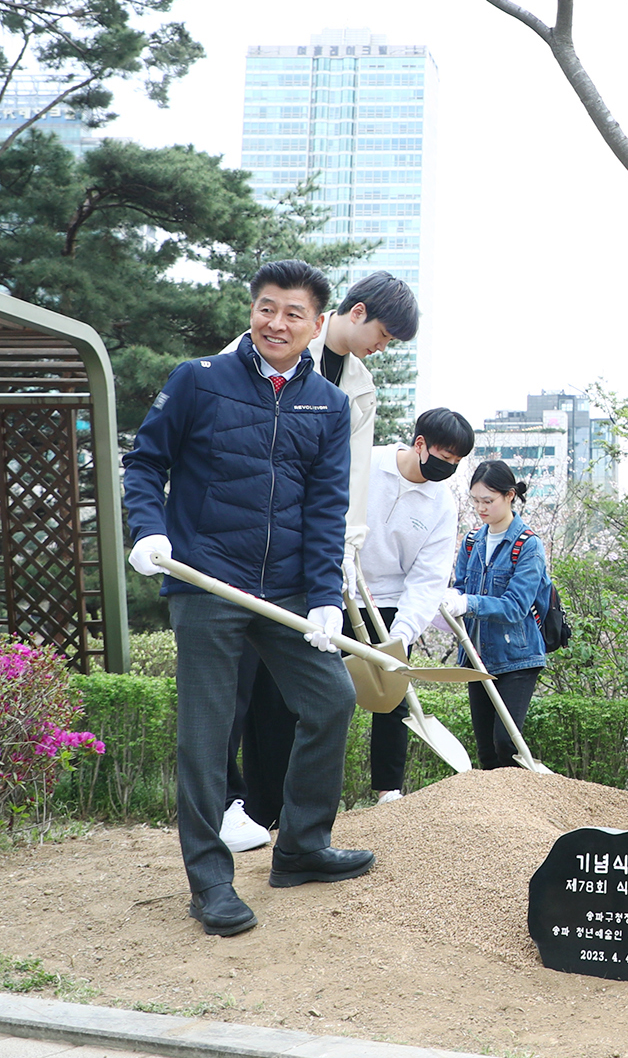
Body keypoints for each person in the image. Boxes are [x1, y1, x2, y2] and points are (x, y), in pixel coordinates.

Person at [122, 259, 373, 937]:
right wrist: (149, 531)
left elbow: (326, 507)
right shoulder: (200, 381)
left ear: (318, 325)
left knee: (332, 699)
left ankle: (299, 848)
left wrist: (325, 597)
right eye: (267, 308)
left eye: (294, 313)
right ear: (252, 311)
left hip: (289, 591)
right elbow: (146, 463)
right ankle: (209, 880)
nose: (277, 323)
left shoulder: (328, 404)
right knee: (206, 735)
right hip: (208, 580)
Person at [223, 271, 419, 852]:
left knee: (299, 690)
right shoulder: (265, 349)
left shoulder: (359, 385)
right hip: (240, 541)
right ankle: (227, 805)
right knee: (234, 682)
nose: (384, 347)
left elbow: (349, 474)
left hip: (305, 550)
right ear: (355, 313)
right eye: (383, 333)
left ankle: (274, 814)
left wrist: (343, 544)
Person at [354, 406, 474, 802]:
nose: (449, 467)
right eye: (444, 458)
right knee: (323, 694)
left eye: (456, 463)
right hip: (335, 588)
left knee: (391, 694)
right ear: (419, 444)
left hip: (391, 602)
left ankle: (388, 791)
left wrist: (402, 635)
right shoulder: (365, 462)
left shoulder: (441, 504)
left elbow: (428, 577)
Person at [444, 460, 549, 769]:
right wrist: (453, 598)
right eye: (475, 500)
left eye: (488, 501)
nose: (480, 508)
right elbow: (461, 588)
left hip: (518, 657)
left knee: (507, 744)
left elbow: (516, 606)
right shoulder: (471, 542)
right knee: (487, 752)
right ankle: (497, 818)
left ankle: (523, 808)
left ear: (509, 496)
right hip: (478, 657)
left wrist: (470, 603)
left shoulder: (528, 546)